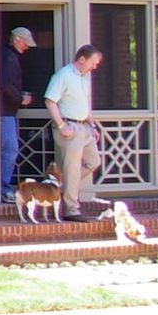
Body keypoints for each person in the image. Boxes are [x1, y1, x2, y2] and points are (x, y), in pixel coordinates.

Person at [43, 43, 104, 221]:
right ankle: (71, 209)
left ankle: (58, 181)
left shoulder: (84, 77)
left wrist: (92, 125)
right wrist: (62, 126)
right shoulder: (63, 75)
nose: (95, 67)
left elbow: (83, 104)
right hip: (69, 127)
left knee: (93, 162)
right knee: (72, 168)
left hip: (84, 127)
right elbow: (50, 101)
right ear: (82, 59)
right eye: (93, 62)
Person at [0, 26, 36, 203]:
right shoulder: (9, 58)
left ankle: (0, 187)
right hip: (4, 113)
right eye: (25, 42)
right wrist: (20, 99)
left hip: (6, 113)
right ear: (16, 40)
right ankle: (3, 188)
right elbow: (5, 85)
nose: (27, 47)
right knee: (10, 150)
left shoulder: (8, 57)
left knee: (6, 150)